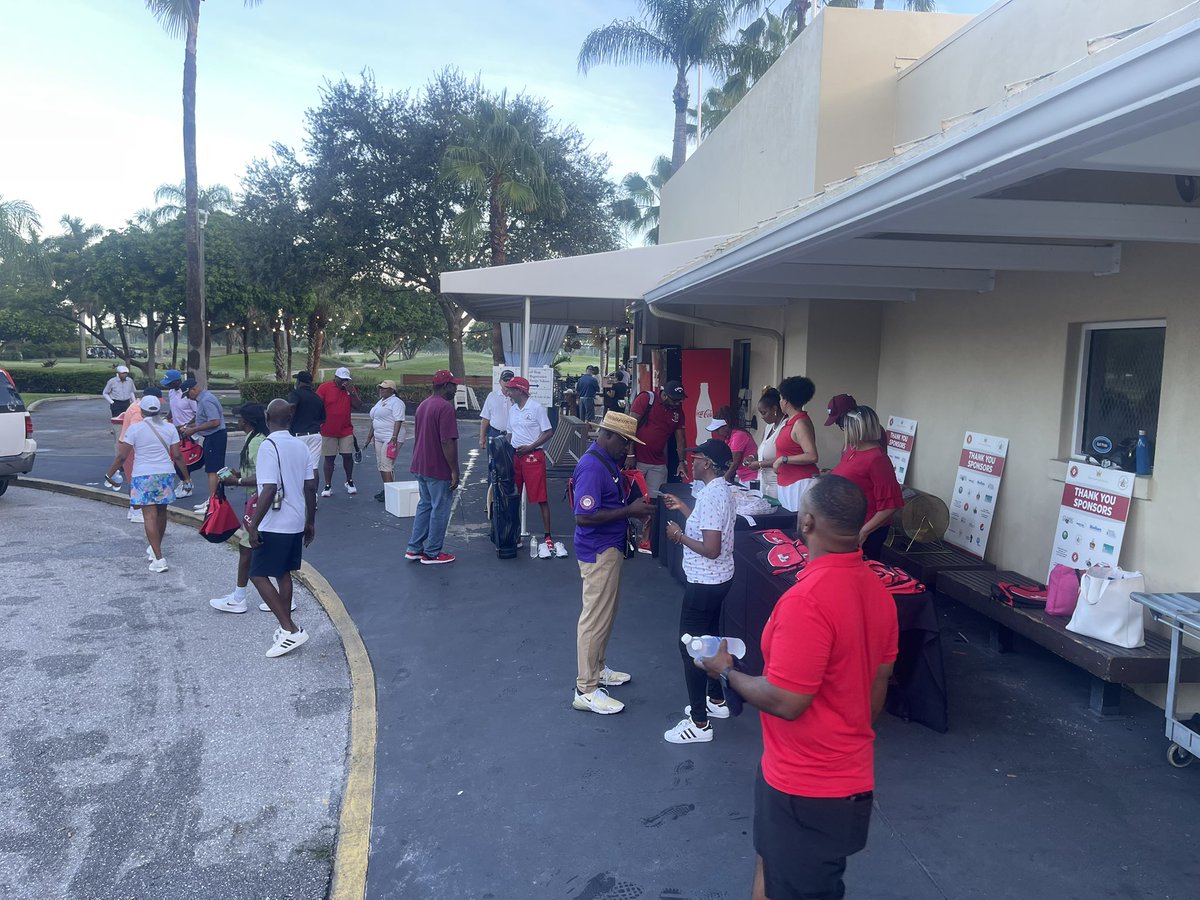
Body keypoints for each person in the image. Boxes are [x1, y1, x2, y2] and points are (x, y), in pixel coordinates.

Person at [699, 475, 898, 900]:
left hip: (805, 789)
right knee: (771, 867)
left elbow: (787, 701)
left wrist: (724, 671)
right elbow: (876, 688)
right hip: (840, 779)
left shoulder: (807, 600)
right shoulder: (879, 593)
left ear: (806, 522)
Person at [570, 411, 655, 714]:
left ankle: (597, 669)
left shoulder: (605, 462)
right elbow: (583, 516)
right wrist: (629, 511)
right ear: (609, 435)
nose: (628, 449)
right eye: (625, 442)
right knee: (594, 618)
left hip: (608, 547)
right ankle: (586, 688)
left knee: (605, 614)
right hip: (599, 550)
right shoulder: (593, 467)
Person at [662, 438, 737, 744]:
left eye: (696, 457)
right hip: (719, 580)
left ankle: (699, 723)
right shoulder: (720, 490)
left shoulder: (710, 497)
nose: (690, 461)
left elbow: (711, 547)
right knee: (708, 640)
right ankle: (716, 700)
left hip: (705, 582)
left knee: (689, 646)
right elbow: (709, 527)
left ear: (707, 464)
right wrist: (684, 508)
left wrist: (678, 536)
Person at [245, 398, 318, 658]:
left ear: (267, 417)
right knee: (283, 572)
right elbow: (310, 486)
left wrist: (254, 526)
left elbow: (269, 488)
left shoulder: (269, 446)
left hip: (275, 522)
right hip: (297, 520)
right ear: (289, 420)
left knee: (257, 574)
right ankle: (285, 630)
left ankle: (291, 628)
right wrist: (310, 521)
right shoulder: (301, 446)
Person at [104, 394, 182, 573]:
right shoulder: (170, 428)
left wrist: (109, 474)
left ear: (143, 411)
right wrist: (186, 478)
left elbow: (122, 456)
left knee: (149, 516)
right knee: (162, 513)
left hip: (143, 475)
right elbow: (177, 455)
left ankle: (159, 558)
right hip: (165, 474)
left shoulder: (135, 428)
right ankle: (156, 550)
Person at [208, 403, 270, 614]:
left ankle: (239, 598)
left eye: (241, 418)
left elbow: (265, 476)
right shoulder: (253, 438)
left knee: (247, 549)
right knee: (260, 548)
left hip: (259, 501)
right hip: (256, 500)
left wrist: (238, 480)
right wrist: (236, 473)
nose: (238, 420)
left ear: (249, 421)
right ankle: (279, 596)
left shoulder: (257, 443)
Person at [505, 375, 566, 559]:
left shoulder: (537, 408)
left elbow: (548, 432)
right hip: (516, 456)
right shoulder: (513, 409)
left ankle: (548, 535)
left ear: (521, 391)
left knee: (540, 496)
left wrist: (531, 446)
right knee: (513, 496)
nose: (509, 392)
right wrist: (510, 449)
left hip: (533, 455)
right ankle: (513, 534)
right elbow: (509, 432)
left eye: (512, 389)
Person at [832, 405, 904, 560]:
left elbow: (891, 505)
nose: (844, 431)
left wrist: (864, 532)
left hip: (864, 530)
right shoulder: (852, 450)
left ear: (857, 430)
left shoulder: (877, 459)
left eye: (847, 428)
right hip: (846, 524)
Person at [406, 370, 462, 565]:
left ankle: (414, 547)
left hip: (420, 463)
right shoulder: (445, 408)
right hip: (437, 466)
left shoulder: (424, 405)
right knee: (440, 508)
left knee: (425, 505)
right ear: (445, 386)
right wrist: (454, 470)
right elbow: (446, 441)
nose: (456, 389)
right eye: (453, 385)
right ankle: (432, 552)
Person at [628, 379, 688, 495]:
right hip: (637, 459)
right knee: (632, 495)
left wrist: (682, 461)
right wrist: (630, 454)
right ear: (664, 395)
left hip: (658, 461)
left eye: (679, 400)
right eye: (674, 400)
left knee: (655, 498)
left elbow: (680, 439)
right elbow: (630, 426)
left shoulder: (678, 412)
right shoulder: (647, 399)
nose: (677, 403)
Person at [178, 377, 227, 515]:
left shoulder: (206, 400)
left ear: (194, 389)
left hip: (215, 437)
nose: (188, 398)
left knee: (213, 470)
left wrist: (193, 430)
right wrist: (189, 426)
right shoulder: (203, 399)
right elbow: (203, 420)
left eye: (188, 394)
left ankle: (213, 502)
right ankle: (215, 499)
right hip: (213, 437)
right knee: (214, 469)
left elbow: (214, 421)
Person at [773, 376, 820, 512]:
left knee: (796, 526)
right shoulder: (790, 421)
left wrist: (783, 460)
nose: (780, 401)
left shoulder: (800, 423)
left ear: (787, 401)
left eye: (781, 398)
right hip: (787, 483)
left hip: (799, 484)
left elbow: (812, 456)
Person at [317, 366, 364, 497]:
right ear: (335, 378)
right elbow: (318, 405)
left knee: (347, 456)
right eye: (341, 379)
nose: (344, 382)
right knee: (329, 458)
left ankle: (349, 481)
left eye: (346, 379)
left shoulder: (350, 389)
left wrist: (352, 392)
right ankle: (328, 485)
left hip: (345, 429)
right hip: (328, 429)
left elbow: (359, 406)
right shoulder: (324, 388)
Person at [366, 379, 406, 502]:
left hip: (391, 437)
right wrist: (369, 437)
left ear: (392, 390)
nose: (381, 390)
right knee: (381, 465)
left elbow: (398, 420)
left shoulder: (396, 402)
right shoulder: (381, 402)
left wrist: (394, 437)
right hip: (379, 437)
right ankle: (389, 489)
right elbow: (375, 420)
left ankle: (391, 495)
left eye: (384, 388)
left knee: (386, 465)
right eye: (380, 388)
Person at [287, 371, 326, 485]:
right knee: (313, 467)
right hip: (315, 435)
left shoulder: (295, 394)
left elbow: (291, 408)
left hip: (298, 436)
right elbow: (323, 418)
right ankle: (313, 495)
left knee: (295, 467)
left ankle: (297, 492)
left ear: (299, 382)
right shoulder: (317, 397)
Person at [747, 387, 785, 499]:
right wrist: (752, 457)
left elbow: (782, 458)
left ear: (774, 409)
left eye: (764, 413)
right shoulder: (768, 427)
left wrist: (759, 464)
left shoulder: (785, 427)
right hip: (763, 480)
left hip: (777, 482)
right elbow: (763, 452)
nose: (762, 417)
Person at [707, 407, 759, 485]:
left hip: (751, 478)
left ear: (726, 426)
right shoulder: (729, 437)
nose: (716, 432)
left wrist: (721, 482)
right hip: (743, 478)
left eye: (717, 429)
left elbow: (735, 464)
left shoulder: (738, 435)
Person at [479, 369, 514, 469]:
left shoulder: (517, 397)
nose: (507, 382)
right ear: (500, 382)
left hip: (512, 435)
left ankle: (509, 485)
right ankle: (493, 484)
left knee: (510, 464)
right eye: (505, 380)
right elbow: (485, 418)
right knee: (493, 464)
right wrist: (482, 438)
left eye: (510, 380)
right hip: (495, 433)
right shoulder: (492, 396)